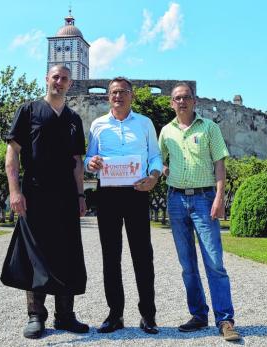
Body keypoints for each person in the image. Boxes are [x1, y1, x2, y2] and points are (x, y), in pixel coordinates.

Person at [1, 65, 89, 339]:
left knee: (68, 252)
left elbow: (77, 162)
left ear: (70, 83)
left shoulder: (74, 119)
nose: (59, 82)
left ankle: (65, 315)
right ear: (46, 80)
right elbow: (12, 154)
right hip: (35, 193)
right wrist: (15, 192)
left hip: (65, 195)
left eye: (64, 79)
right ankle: (36, 315)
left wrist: (80, 195)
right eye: (55, 77)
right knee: (35, 255)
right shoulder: (29, 110)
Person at [158, 82, 241, 341]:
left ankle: (225, 319)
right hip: (176, 199)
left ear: (194, 101)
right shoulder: (166, 132)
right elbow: (157, 159)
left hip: (205, 198)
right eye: (176, 98)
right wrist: (162, 169)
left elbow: (219, 164)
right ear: (171, 103)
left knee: (214, 262)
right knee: (187, 264)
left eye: (185, 97)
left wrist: (219, 198)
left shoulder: (209, 128)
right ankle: (198, 314)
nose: (181, 102)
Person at [85, 77, 162, 335]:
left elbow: (155, 156)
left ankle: (148, 315)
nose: (118, 96)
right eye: (114, 92)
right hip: (107, 194)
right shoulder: (97, 125)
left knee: (143, 256)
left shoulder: (145, 123)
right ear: (108, 97)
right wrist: (91, 164)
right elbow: (88, 158)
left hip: (137, 192)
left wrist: (153, 177)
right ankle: (115, 314)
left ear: (132, 96)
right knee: (110, 256)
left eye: (123, 92)